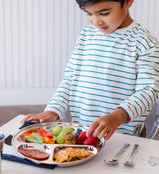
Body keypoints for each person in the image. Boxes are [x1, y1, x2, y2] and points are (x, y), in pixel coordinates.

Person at [22, 0, 159, 140]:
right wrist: (53, 110)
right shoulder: (86, 35)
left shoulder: (145, 43)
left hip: (122, 137)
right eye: (89, 14)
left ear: (128, 2)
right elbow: (70, 78)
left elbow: (148, 91)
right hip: (83, 133)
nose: (96, 21)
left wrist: (117, 117)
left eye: (104, 13)